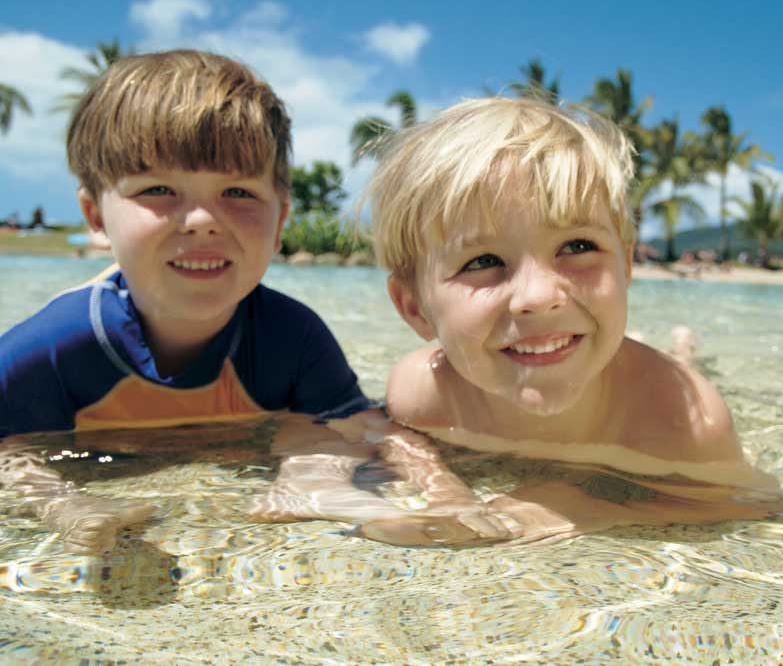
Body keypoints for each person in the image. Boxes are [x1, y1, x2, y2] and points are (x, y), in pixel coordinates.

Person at [0, 50, 497, 554]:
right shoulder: (51, 349)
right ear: (96, 218)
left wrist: (447, 490)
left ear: (280, 220)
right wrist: (64, 506)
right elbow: (9, 452)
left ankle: (314, 489)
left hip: (237, 455)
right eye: (158, 190)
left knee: (321, 430)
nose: (201, 220)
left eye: (237, 191)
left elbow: (366, 425)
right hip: (93, 471)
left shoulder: (292, 337)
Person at [363, 97, 781, 544]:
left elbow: (741, 501)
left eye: (577, 247)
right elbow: (391, 436)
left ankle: (684, 353)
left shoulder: (685, 419)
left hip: (650, 383)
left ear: (626, 267)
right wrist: (442, 488)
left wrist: (585, 504)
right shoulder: (421, 395)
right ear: (414, 308)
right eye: (483, 260)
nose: (539, 297)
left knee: (683, 371)